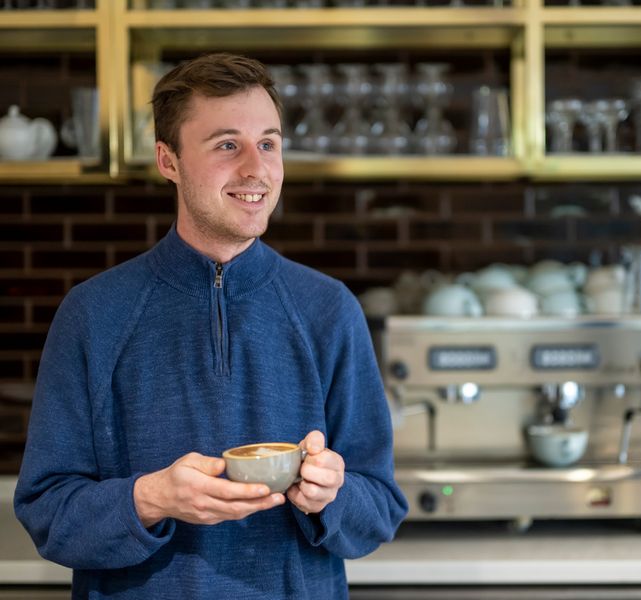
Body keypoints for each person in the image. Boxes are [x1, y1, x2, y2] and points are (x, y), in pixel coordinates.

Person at [14, 53, 408, 599]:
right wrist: (151, 499)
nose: (256, 168)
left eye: (268, 143)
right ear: (167, 160)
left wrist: (330, 495)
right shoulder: (92, 314)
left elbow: (381, 507)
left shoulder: (329, 309)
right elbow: (46, 511)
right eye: (227, 145)